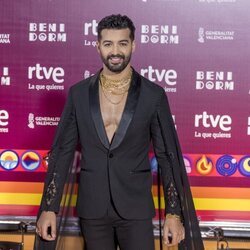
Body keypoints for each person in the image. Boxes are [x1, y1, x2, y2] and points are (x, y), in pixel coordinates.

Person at [35, 14, 204, 250]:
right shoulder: (79, 94)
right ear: (98, 47)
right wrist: (49, 208)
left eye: (122, 43)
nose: (115, 51)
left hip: (136, 208)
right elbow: (62, 153)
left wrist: (174, 213)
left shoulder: (153, 95)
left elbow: (167, 157)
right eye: (108, 44)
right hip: (93, 209)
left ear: (133, 44)